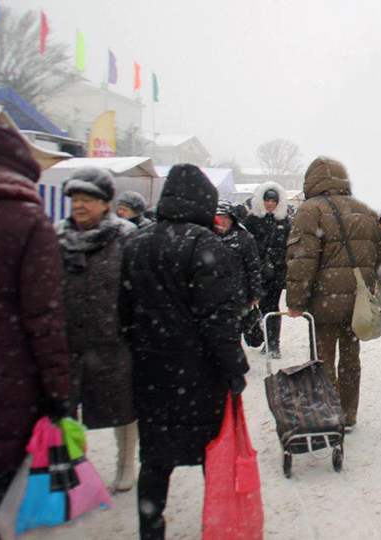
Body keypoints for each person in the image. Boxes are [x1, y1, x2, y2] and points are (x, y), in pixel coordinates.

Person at [119, 164, 249, 540]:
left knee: (155, 458)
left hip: (151, 373)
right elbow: (218, 320)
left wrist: (142, 352)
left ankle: (151, 528)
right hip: (200, 375)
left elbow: (122, 314)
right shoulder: (206, 246)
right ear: (204, 202)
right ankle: (219, 524)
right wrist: (233, 368)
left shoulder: (136, 243)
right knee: (214, 452)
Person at [0, 124, 72, 536]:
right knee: (4, 507)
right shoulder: (27, 221)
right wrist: (60, 395)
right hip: (9, 388)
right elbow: (45, 319)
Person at [54, 167, 139, 493]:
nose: (79, 205)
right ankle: (74, 463)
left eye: (87, 199)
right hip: (66, 341)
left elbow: (138, 292)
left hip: (113, 341)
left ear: (106, 203)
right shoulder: (56, 236)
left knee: (124, 407)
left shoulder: (126, 237)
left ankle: (125, 463)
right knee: (65, 408)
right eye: (75, 198)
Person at [286, 157, 381, 431]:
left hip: (323, 302)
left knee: (323, 359)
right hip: (356, 304)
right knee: (351, 360)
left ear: (312, 181)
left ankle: (328, 413)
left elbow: (302, 260)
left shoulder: (310, 210)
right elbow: (380, 257)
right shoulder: (365, 210)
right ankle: (348, 413)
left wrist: (296, 301)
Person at [243, 181, 291, 358]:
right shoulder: (252, 220)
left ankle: (273, 343)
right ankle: (262, 338)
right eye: (267, 200)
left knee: (273, 308)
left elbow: (288, 246)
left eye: (273, 200)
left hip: (276, 272)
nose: (270, 203)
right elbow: (247, 246)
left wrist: (278, 259)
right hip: (258, 271)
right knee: (260, 307)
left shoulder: (284, 221)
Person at [214, 200, 264, 315]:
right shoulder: (205, 238)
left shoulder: (244, 238)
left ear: (232, 219)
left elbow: (253, 268)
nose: (222, 221)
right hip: (212, 296)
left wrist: (255, 294)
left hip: (238, 296)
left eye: (225, 217)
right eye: (218, 217)